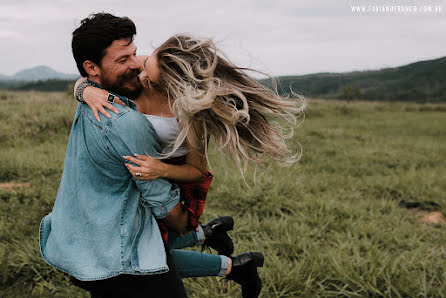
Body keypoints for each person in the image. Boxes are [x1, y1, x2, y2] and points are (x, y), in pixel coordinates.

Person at [76, 32, 306, 297]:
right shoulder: (143, 65)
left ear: (175, 87)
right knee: (139, 254)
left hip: (171, 185)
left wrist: (160, 170)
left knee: (148, 257)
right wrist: (85, 91)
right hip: (137, 180)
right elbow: (91, 77)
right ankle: (219, 247)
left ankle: (228, 258)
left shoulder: (189, 113)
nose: (140, 78)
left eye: (151, 80)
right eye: (145, 66)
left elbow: (197, 171)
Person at [39, 13, 190, 298]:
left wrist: (83, 87)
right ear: (91, 67)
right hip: (121, 256)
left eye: (133, 54)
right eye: (122, 60)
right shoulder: (127, 123)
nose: (135, 65)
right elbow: (159, 197)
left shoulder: (95, 95)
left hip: (84, 243)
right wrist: (184, 222)